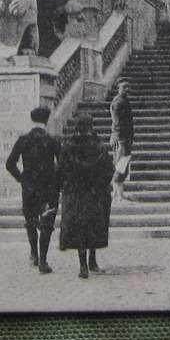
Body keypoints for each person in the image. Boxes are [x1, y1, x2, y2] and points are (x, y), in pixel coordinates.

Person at [4, 105, 60, 274]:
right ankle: (43, 260)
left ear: (32, 120)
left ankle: (33, 254)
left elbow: (9, 164)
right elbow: (62, 163)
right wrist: (57, 181)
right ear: (47, 120)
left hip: (29, 187)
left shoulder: (23, 139)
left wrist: (22, 178)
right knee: (46, 223)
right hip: (48, 187)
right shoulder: (52, 140)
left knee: (30, 221)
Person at [58, 114, 115, 277]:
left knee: (80, 228)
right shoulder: (98, 146)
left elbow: (61, 170)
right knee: (94, 225)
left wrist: (65, 186)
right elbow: (109, 169)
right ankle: (93, 260)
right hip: (95, 193)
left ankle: (83, 265)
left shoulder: (69, 147)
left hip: (76, 193)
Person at [109, 79, 135, 202]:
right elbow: (116, 123)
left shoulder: (124, 101)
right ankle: (118, 196)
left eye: (128, 87)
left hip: (125, 138)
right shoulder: (118, 102)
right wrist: (120, 141)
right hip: (121, 139)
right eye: (124, 87)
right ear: (118, 87)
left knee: (122, 166)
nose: (126, 89)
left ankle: (118, 194)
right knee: (120, 165)